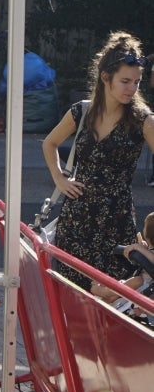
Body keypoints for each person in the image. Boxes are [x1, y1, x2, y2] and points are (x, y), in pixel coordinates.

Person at [42, 32, 154, 288]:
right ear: (106, 77)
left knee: (110, 295)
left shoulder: (143, 120)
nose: (132, 88)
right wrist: (59, 178)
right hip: (75, 223)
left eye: (137, 82)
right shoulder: (82, 111)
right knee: (72, 295)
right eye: (125, 81)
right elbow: (49, 143)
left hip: (116, 222)